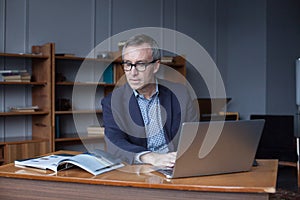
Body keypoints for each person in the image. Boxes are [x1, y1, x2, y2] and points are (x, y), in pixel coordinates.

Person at [101, 34, 198, 168]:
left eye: (140, 64)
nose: (132, 72)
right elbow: (115, 144)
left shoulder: (180, 93)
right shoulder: (112, 102)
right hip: (139, 168)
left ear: (156, 66)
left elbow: (194, 135)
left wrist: (178, 159)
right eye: (128, 64)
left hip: (176, 165)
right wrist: (151, 157)